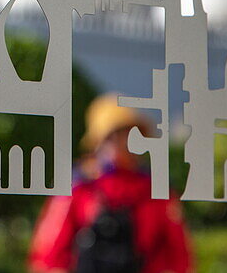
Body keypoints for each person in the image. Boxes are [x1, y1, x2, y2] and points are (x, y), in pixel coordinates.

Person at [28, 95, 192, 273]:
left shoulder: (157, 190)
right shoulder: (79, 186)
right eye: (117, 134)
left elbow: (178, 257)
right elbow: (49, 256)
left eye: (131, 133)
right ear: (99, 141)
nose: (125, 142)